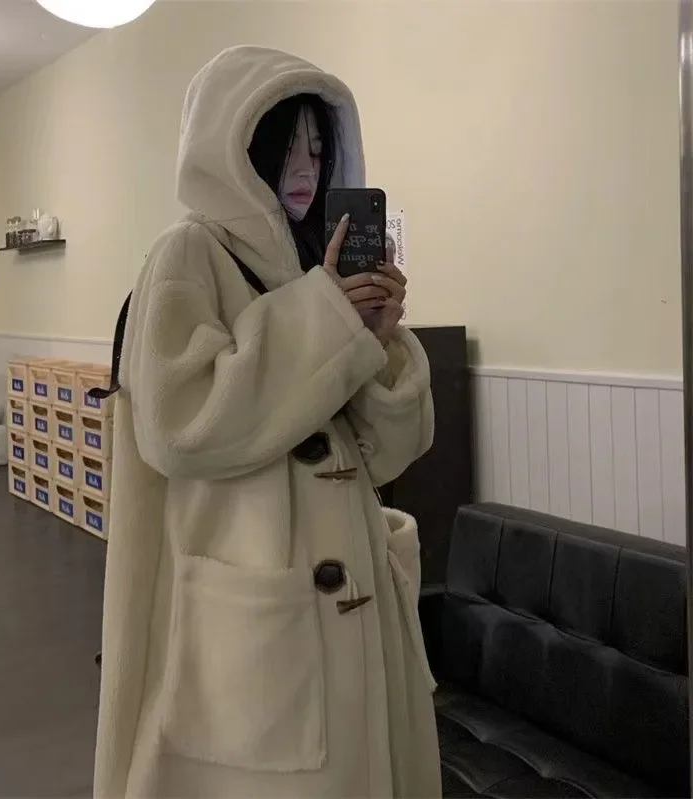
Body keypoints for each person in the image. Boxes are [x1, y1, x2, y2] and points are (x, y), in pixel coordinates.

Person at [93, 45, 440, 799]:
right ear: (236, 148)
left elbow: (386, 455)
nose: (307, 169)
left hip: (354, 618)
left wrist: (377, 343)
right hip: (257, 621)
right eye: (286, 148)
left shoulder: (312, 265)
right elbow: (180, 422)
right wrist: (323, 320)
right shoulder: (187, 253)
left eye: (318, 147)